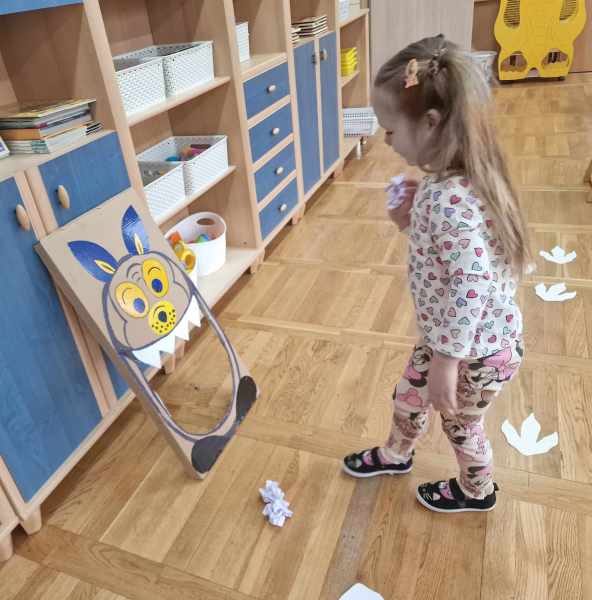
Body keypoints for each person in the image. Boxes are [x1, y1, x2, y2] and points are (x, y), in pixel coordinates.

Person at [342, 34, 530, 513]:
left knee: (461, 424)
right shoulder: (451, 179)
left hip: (476, 351)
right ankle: (396, 454)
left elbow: (472, 283)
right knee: (409, 395)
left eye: (390, 130)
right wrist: (408, 220)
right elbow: (446, 261)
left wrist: (447, 360)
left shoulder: (450, 198)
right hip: (450, 336)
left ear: (430, 123)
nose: (385, 140)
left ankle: (476, 491)